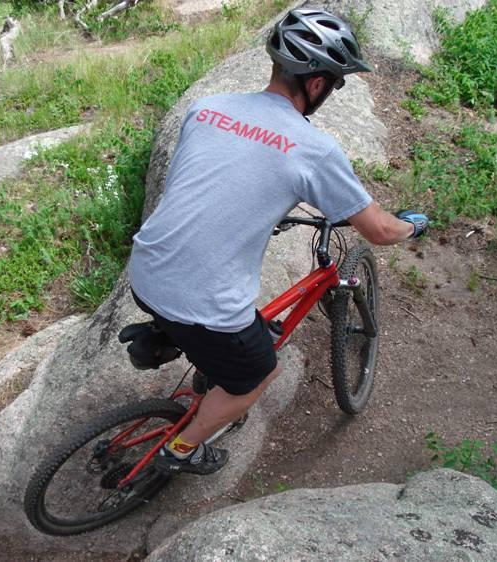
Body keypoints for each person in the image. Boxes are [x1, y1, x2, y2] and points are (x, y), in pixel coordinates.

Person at [128, 8, 429, 475]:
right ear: (316, 84)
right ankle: (180, 451)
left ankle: (171, 337)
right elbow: (379, 231)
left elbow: (211, 181)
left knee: (228, 322)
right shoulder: (313, 148)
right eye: (335, 83)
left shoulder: (207, 108)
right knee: (259, 372)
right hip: (201, 301)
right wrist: (413, 226)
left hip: (145, 270)